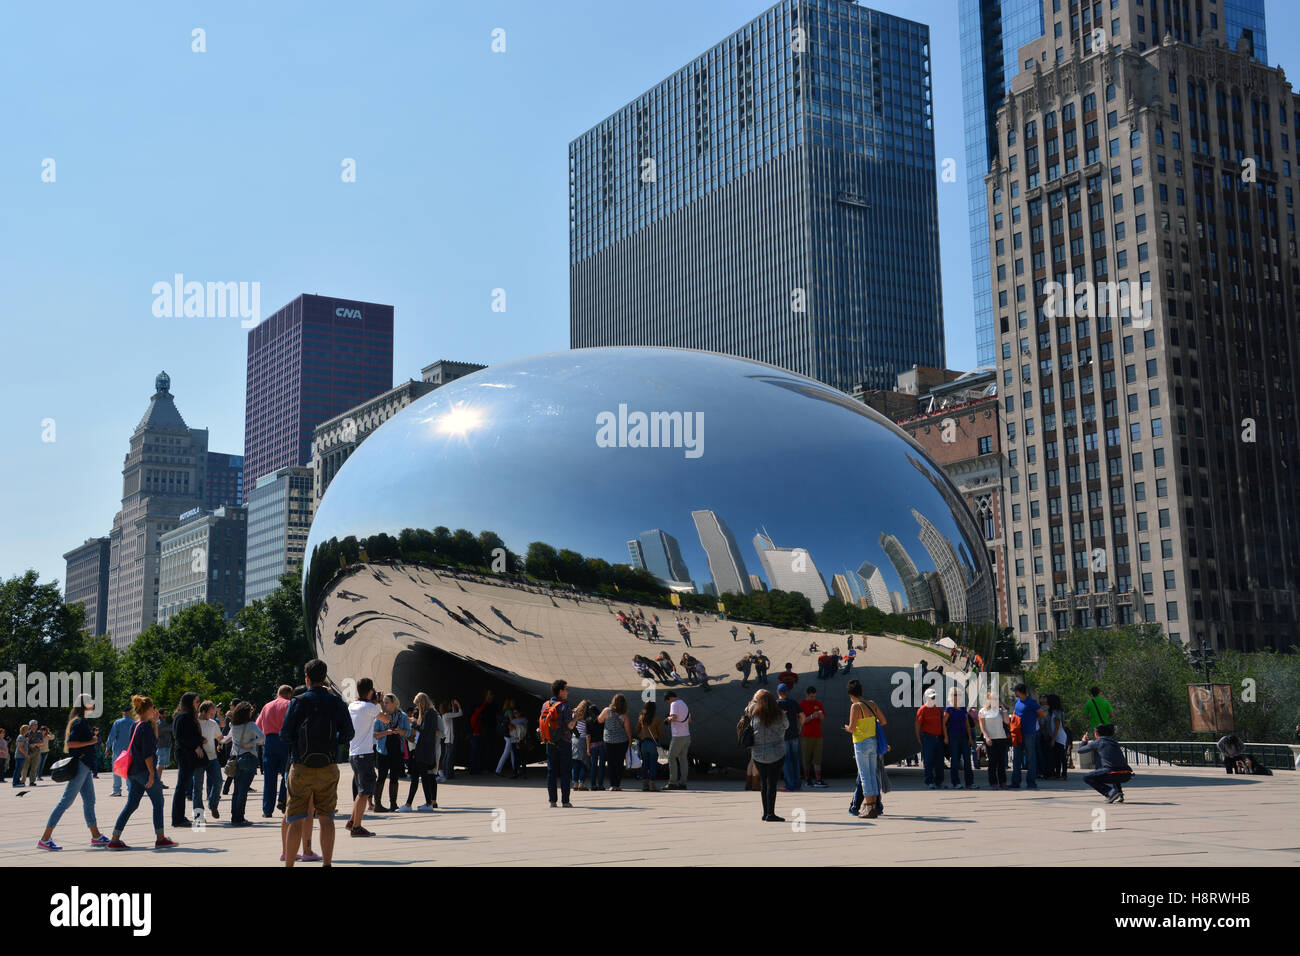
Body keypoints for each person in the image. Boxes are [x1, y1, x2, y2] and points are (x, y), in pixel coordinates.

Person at [280, 658, 356, 867]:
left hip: (301, 766)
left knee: (295, 818)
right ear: (324, 678)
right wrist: (333, 743)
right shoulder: (336, 702)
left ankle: (289, 864)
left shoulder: (299, 701)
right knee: (326, 818)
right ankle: (327, 863)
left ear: (307, 678)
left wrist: (299, 745)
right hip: (328, 766)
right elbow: (349, 733)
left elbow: (285, 734)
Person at [37, 694, 108, 850]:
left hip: (86, 766)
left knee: (90, 801)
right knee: (66, 801)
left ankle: (96, 836)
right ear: (84, 704)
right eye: (90, 701)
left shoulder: (81, 721)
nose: (93, 703)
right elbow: (71, 744)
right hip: (81, 765)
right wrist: (92, 741)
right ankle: (44, 839)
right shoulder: (79, 722)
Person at [106, 696, 177, 850]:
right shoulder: (145, 727)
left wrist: (156, 723)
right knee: (158, 803)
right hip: (144, 771)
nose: (155, 710)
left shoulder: (136, 725)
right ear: (148, 709)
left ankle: (115, 838)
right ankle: (160, 838)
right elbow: (148, 754)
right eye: (153, 708)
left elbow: (153, 741)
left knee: (131, 804)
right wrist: (152, 774)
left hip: (133, 771)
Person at [345, 678, 388, 837]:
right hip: (365, 754)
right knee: (364, 792)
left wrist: (373, 703)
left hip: (354, 753)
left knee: (361, 790)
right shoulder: (370, 706)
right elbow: (386, 719)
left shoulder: (352, 705)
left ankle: (351, 821)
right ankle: (357, 827)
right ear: (370, 692)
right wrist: (381, 703)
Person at [844, 680, 886, 819]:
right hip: (873, 742)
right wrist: (870, 725)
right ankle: (873, 805)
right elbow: (883, 721)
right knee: (872, 774)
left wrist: (847, 728)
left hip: (861, 743)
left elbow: (852, 727)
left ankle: (869, 808)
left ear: (851, 695)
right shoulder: (872, 704)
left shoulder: (855, 707)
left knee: (864, 776)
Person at [744, 689, 788, 822]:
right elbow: (786, 726)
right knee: (772, 784)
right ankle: (771, 813)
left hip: (758, 755)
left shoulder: (755, 716)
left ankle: (765, 813)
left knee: (764, 784)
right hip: (777, 753)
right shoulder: (779, 715)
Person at [222, 701, 265, 826]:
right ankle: (240, 818)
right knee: (243, 790)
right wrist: (252, 743)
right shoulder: (251, 725)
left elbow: (227, 739)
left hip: (237, 759)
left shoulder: (233, 726)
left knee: (236, 790)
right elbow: (262, 738)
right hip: (249, 758)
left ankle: (234, 816)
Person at [256, 685, 294, 817]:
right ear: (289, 694)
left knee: (269, 778)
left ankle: (267, 810)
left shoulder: (267, 706)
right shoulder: (289, 704)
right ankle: (283, 800)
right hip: (285, 741)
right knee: (287, 774)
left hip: (269, 742)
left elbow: (258, 725)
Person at [170, 693, 206, 828]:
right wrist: (195, 746)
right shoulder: (183, 716)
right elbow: (180, 737)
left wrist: (199, 740)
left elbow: (188, 734)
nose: (198, 704)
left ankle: (180, 817)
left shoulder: (187, 715)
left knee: (184, 786)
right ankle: (177, 818)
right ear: (190, 702)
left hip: (188, 754)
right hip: (185, 755)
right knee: (182, 787)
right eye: (196, 701)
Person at [402, 692, 441, 812]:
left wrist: (414, 724)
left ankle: (411, 805)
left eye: (417, 704)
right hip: (423, 750)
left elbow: (426, 731)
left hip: (423, 751)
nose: (417, 707)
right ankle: (424, 803)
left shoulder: (430, 713)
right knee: (420, 777)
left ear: (421, 702)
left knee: (418, 777)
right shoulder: (430, 713)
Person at [541, 679, 576, 807]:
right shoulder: (564, 705)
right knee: (565, 771)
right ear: (560, 691)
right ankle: (565, 801)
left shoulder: (546, 705)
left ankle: (552, 801)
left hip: (550, 741)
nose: (568, 692)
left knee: (551, 771)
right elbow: (570, 726)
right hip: (564, 741)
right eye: (566, 689)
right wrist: (576, 715)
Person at [1077, 724, 1133, 803]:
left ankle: (1110, 792)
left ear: (1096, 733)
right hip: (1127, 774)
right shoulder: (1114, 741)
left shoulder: (1098, 742)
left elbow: (1080, 750)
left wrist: (1084, 741)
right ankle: (1119, 793)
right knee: (1113, 768)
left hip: (1113, 773)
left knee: (1087, 777)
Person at [374, 693, 411, 810]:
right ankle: (378, 804)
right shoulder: (380, 717)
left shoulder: (403, 716)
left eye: (387, 702)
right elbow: (375, 734)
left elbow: (408, 733)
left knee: (395, 777)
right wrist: (387, 732)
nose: (384, 705)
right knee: (381, 777)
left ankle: (393, 804)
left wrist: (400, 731)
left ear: (394, 703)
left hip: (397, 750)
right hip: (383, 750)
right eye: (383, 702)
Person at [190, 701, 223, 822]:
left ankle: (213, 805)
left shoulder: (213, 723)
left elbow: (220, 738)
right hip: (198, 758)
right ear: (203, 711)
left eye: (214, 713)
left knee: (219, 781)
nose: (213, 715)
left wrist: (230, 738)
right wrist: (198, 741)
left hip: (212, 757)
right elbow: (187, 739)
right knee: (197, 788)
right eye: (211, 713)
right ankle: (199, 817)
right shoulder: (194, 722)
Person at [1010, 684, 1045, 790]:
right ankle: (1015, 782)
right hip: (1018, 733)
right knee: (1017, 758)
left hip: (1029, 733)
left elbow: (1042, 714)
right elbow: (1015, 712)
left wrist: (1033, 719)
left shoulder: (1031, 702)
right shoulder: (1018, 702)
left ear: (1020, 691)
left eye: (1015, 691)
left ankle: (1031, 782)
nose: (1014, 693)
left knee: (1031, 758)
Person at [598, 694, 632, 792]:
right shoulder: (624, 715)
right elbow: (628, 729)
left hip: (609, 741)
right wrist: (630, 740)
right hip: (622, 741)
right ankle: (617, 784)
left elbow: (599, 720)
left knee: (611, 763)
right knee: (620, 763)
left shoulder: (606, 711)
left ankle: (612, 785)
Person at [944, 689, 976, 789]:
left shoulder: (962, 708)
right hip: (953, 736)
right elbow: (943, 724)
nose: (957, 696)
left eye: (959, 694)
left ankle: (969, 782)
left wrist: (970, 737)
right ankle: (956, 782)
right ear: (951, 696)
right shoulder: (949, 709)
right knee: (955, 760)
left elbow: (967, 724)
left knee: (967, 760)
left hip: (964, 737)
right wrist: (946, 736)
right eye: (955, 694)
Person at [978, 692, 1010, 790]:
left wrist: (1003, 708)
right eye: (992, 699)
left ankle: (1003, 782)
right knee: (992, 762)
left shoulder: (1000, 711)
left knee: (1001, 762)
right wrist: (987, 737)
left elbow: (1007, 722)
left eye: (996, 699)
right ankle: (993, 782)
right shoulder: (983, 711)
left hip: (1001, 738)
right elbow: (982, 727)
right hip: (990, 739)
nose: (995, 701)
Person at [916, 688, 945, 789]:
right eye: (932, 697)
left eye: (935, 697)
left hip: (938, 738)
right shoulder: (922, 710)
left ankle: (939, 781)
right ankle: (929, 781)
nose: (934, 698)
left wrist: (944, 736)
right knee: (928, 761)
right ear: (927, 698)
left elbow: (942, 724)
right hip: (928, 738)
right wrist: (919, 737)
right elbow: (918, 724)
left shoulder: (937, 709)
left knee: (940, 761)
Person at [775, 684, 803, 792]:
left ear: (778, 692)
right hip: (794, 735)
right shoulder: (793, 702)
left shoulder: (776, 704)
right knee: (795, 759)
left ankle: (789, 785)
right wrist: (799, 727)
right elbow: (803, 717)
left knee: (786, 761)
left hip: (783, 737)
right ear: (787, 692)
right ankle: (797, 783)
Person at [799, 685, 828, 787]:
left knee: (817, 759)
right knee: (806, 759)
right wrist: (811, 716)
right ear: (807, 695)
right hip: (806, 736)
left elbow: (823, 719)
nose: (813, 698)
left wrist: (820, 716)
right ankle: (807, 779)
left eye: (814, 696)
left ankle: (818, 779)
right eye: (811, 696)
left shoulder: (818, 704)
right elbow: (802, 721)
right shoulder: (802, 704)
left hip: (818, 735)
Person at [663, 691, 691, 790]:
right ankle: (683, 783)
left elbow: (674, 717)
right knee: (683, 759)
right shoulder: (684, 704)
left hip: (678, 735)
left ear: (670, 698)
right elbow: (689, 720)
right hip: (687, 735)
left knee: (671, 757)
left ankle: (672, 782)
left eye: (667, 701)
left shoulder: (674, 704)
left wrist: (667, 719)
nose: (668, 703)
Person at [634, 700, 662, 792]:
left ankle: (645, 785)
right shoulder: (657, 719)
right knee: (653, 764)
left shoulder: (641, 718)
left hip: (644, 743)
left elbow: (637, 730)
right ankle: (652, 785)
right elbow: (660, 733)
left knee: (645, 764)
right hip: (652, 743)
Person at [106, 706, 133, 798]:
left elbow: (112, 736)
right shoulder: (134, 723)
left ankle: (117, 790)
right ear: (130, 713)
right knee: (129, 770)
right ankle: (131, 790)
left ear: (123, 713)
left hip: (118, 750)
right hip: (130, 750)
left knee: (117, 770)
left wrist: (107, 747)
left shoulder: (117, 722)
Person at [468, 690, 494, 774]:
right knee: (475, 754)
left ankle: (475, 769)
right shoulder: (475, 715)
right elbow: (481, 709)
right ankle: (474, 769)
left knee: (476, 753)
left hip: (476, 736)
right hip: (475, 736)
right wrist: (486, 701)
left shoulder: (476, 717)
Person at [1044, 694, 1068, 780]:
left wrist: (1053, 739)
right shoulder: (1054, 711)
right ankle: (1057, 774)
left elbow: (1057, 726)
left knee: (1061, 757)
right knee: (1057, 757)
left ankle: (1064, 774)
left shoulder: (1056, 712)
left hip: (1059, 737)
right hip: (1057, 736)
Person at [438, 699, 462, 780]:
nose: (450, 707)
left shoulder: (445, 715)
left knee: (446, 757)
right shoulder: (447, 715)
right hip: (449, 738)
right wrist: (458, 705)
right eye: (449, 706)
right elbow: (459, 713)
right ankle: (448, 774)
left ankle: (446, 773)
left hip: (447, 738)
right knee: (449, 757)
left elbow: (454, 713)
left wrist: (453, 706)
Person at [570, 700, 592, 791]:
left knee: (575, 764)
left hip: (574, 740)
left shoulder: (574, 715)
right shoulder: (587, 718)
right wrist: (588, 748)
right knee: (584, 763)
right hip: (583, 741)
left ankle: (575, 784)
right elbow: (587, 734)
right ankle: (581, 784)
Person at [155, 714, 173, 779]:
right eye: (165, 713)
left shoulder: (162, 723)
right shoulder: (160, 723)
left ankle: (158, 782)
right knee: (160, 765)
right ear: (161, 715)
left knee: (161, 765)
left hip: (163, 746)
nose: (167, 714)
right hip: (162, 747)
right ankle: (157, 782)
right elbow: (171, 728)